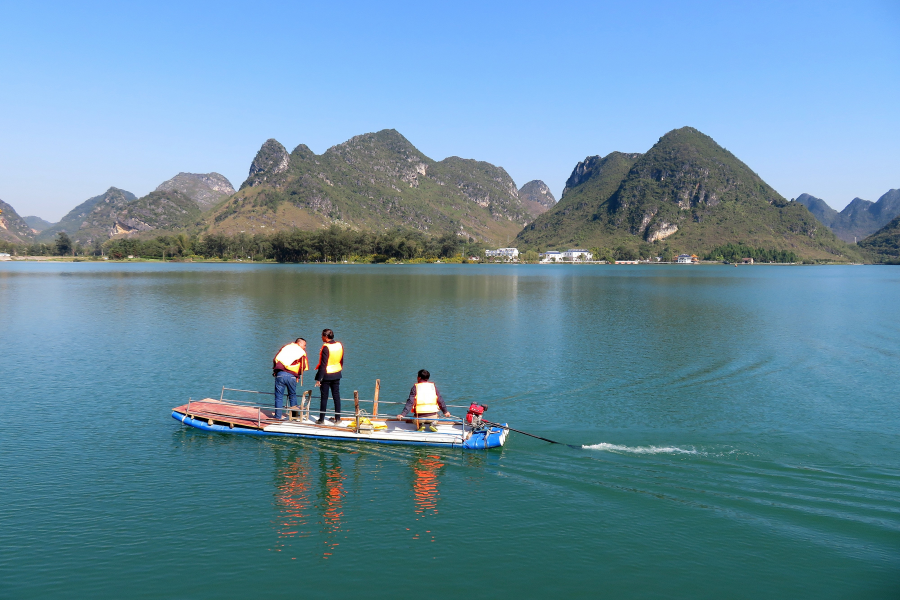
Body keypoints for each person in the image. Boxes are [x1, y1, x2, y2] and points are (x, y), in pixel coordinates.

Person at [272, 338, 308, 420]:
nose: (305, 347)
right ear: (299, 343)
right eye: (304, 345)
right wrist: (298, 375)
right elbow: (303, 366)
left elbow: (276, 359)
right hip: (292, 376)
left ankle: (277, 416)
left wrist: (275, 371)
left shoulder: (286, 347)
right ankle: (294, 417)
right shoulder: (301, 352)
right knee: (292, 395)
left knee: (279, 396)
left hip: (280, 374)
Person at [314, 328, 344, 425]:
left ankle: (321, 420)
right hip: (337, 373)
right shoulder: (339, 345)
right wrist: (339, 370)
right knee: (336, 396)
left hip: (327, 375)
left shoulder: (326, 347)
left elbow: (323, 364)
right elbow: (341, 360)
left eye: (322, 335)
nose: (321, 337)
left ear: (326, 337)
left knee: (324, 397)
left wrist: (319, 379)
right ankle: (338, 418)